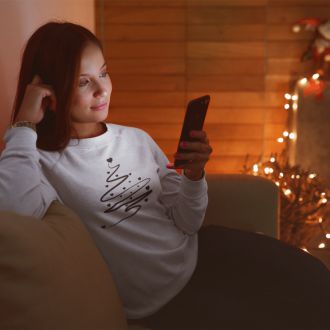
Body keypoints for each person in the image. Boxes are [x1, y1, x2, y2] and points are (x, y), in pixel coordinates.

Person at [0, 21, 329, 330]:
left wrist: (194, 175)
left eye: (104, 73)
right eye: (84, 81)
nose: (103, 90)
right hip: (163, 303)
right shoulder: (39, 161)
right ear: (48, 93)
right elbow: (12, 206)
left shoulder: (135, 138)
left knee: (313, 279)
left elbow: (189, 221)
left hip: (203, 251)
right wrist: (24, 124)